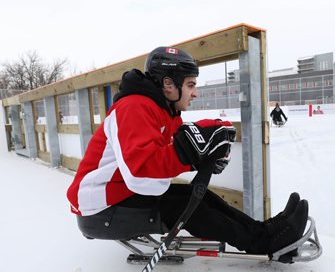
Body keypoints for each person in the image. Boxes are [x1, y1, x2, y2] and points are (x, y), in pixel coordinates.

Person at [67, 46, 308, 260]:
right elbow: (140, 174)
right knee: (186, 206)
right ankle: (267, 242)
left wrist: (202, 154)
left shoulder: (164, 112)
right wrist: (189, 151)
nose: (195, 93)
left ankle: (266, 231)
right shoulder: (134, 108)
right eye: (190, 85)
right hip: (99, 209)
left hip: (121, 194)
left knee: (197, 197)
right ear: (169, 84)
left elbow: (169, 160)